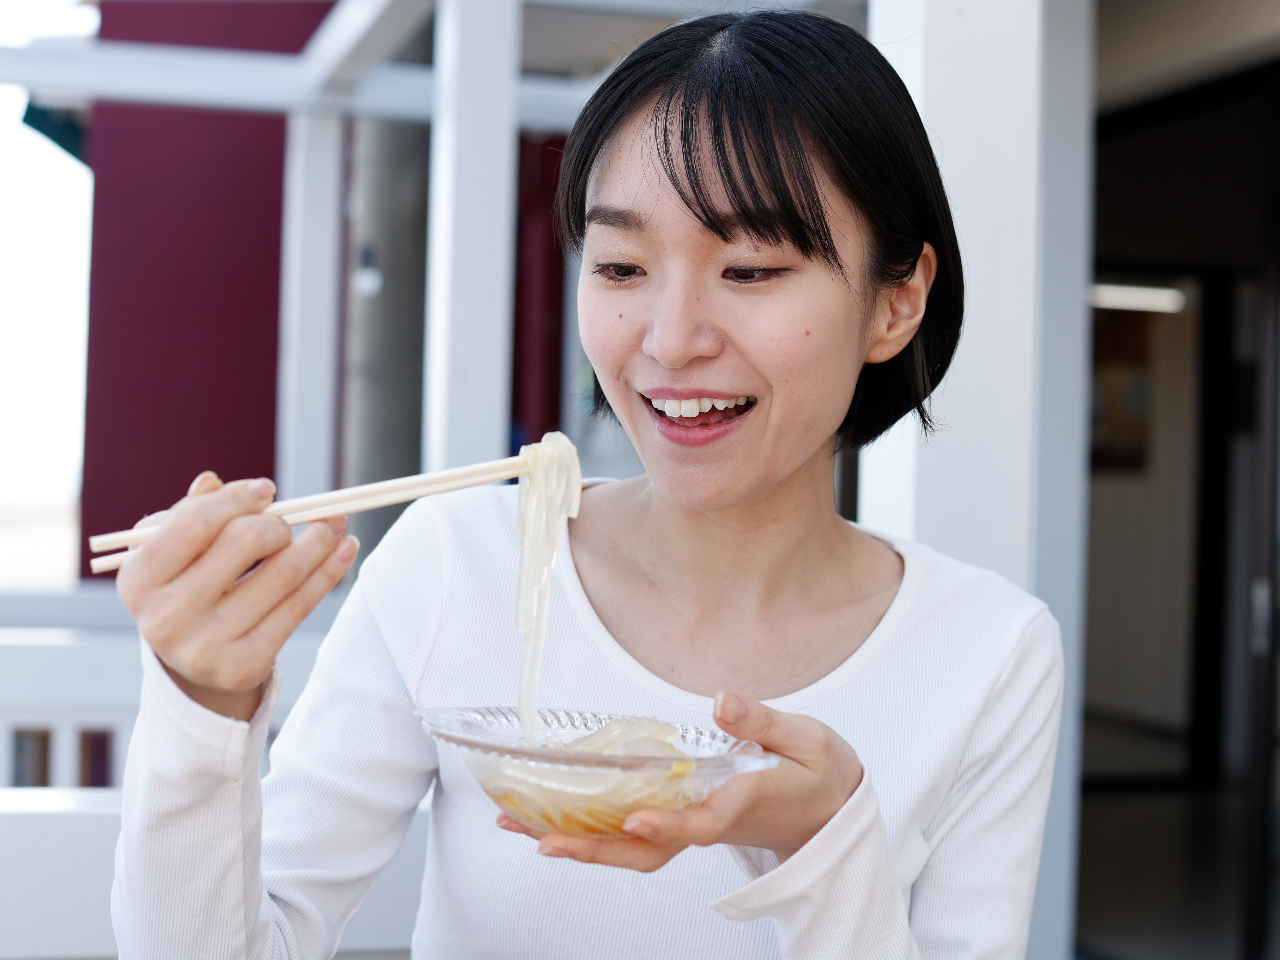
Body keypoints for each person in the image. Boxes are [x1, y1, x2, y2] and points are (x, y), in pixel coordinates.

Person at [111, 11, 1062, 960]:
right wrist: (201, 705)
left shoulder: (990, 653)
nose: (669, 337)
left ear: (896, 302)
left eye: (751, 267)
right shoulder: (463, 562)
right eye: (620, 266)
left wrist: (826, 849)